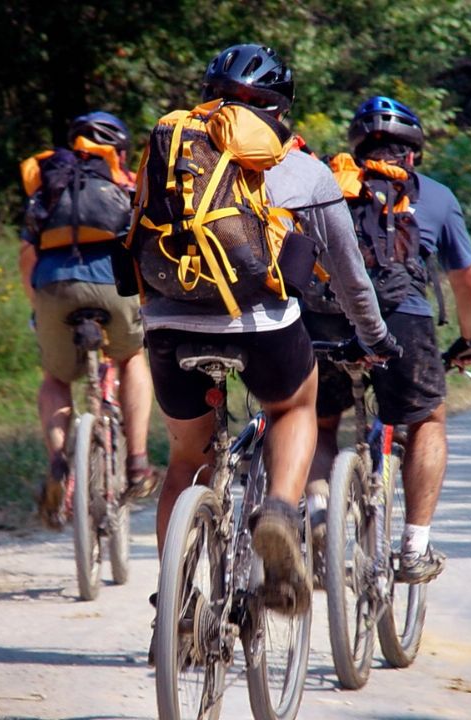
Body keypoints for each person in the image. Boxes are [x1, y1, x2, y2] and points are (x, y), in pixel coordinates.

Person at [134, 44, 397, 618]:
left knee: (186, 463)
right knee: (294, 406)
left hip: (167, 324)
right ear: (281, 107)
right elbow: (351, 277)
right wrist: (376, 338)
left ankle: (174, 608)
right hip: (262, 325)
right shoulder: (303, 167)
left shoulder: (173, 151)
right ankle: (278, 509)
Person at [305, 96, 471, 585]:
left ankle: (319, 515)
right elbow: (468, 286)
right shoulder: (435, 195)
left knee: (319, 424)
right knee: (427, 419)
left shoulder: (326, 182)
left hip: (324, 320)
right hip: (401, 321)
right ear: (415, 150)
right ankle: (414, 548)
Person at [18, 111, 156, 529]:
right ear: (121, 151)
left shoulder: (50, 183)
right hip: (114, 288)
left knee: (56, 379)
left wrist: (38, 306)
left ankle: (59, 462)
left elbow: (28, 256)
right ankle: (137, 462)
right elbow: (147, 252)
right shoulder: (126, 183)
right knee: (132, 358)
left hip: (53, 287)